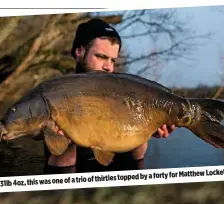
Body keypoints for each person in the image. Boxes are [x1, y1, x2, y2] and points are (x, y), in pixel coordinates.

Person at [44, 18, 176, 174]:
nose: (108, 67)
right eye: (101, 57)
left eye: (112, 60)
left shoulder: (126, 96)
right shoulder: (57, 96)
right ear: (79, 52)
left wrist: (147, 130)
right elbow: (58, 171)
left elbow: (137, 158)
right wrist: (69, 139)